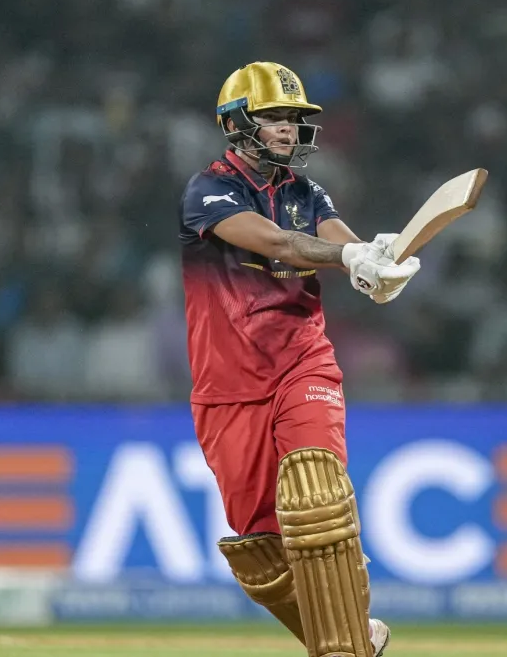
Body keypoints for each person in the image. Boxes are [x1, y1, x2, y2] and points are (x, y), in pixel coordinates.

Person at [179, 61, 419, 657]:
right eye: (274, 117)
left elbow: (339, 240)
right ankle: (356, 638)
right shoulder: (208, 190)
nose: (288, 127)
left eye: (294, 117)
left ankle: (343, 651)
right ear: (236, 123)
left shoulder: (307, 193)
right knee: (262, 554)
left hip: (301, 364)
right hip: (227, 389)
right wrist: (349, 259)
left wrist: (374, 261)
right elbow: (279, 242)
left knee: (317, 494)